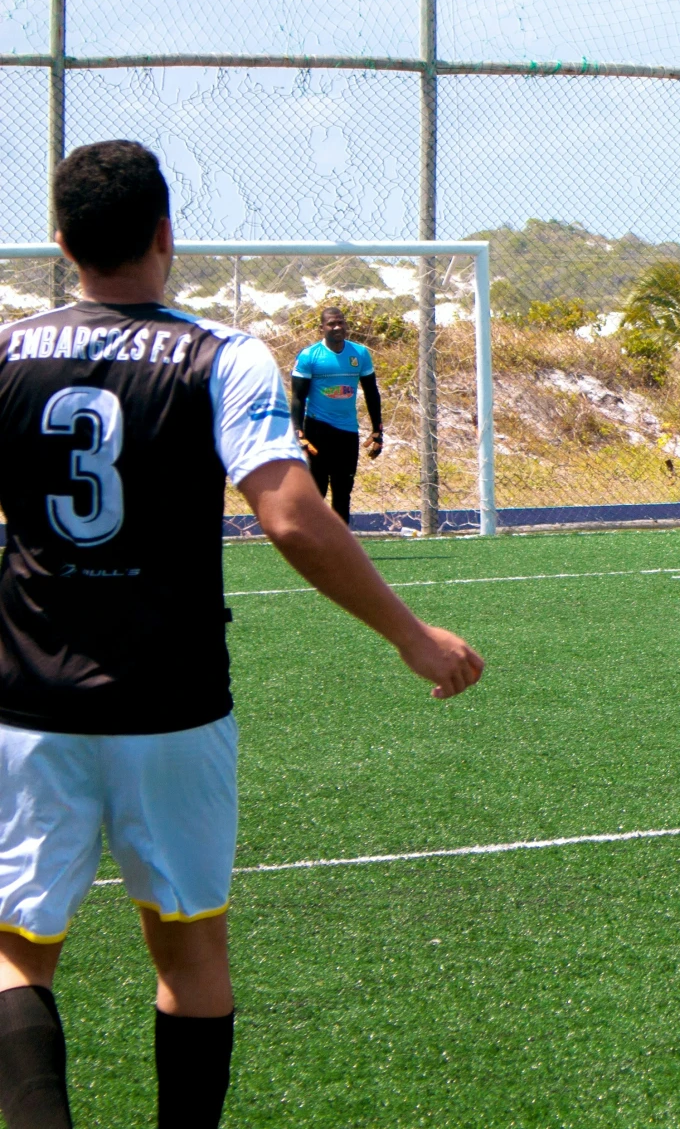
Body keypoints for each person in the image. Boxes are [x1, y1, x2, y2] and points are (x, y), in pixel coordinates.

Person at [0, 141, 483, 1129]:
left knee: (15, 953)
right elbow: (294, 516)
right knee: (190, 951)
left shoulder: (5, 353)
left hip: (28, 702)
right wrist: (409, 634)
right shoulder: (223, 355)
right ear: (166, 232)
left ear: (60, 243)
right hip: (173, 703)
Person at [289, 305, 382, 523]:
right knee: (316, 490)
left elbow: (371, 392)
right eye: (331, 323)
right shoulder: (309, 356)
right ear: (322, 328)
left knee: (343, 492)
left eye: (341, 322)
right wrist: (298, 433)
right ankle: (310, 543)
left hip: (348, 432)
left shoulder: (359, 354)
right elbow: (297, 397)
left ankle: (340, 548)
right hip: (317, 430)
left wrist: (378, 430)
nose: (337, 327)